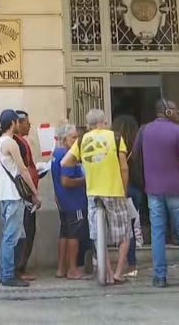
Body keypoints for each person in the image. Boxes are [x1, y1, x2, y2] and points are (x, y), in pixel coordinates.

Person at [133, 99, 179, 288]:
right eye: (175, 110)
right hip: (175, 187)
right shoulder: (178, 131)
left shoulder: (144, 130)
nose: (178, 113)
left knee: (158, 231)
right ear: (167, 111)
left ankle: (159, 277)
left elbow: (135, 155)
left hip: (153, 188)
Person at [62, 109, 130, 285]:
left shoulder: (83, 140)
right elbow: (124, 167)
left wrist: (87, 162)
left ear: (88, 124)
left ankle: (106, 273)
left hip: (93, 193)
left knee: (99, 235)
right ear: (104, 122)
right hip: (114, 191)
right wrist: (124, 189)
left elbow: (65, 162)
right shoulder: (115, 137)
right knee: (124, 234)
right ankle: (118, 273)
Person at [0, 110, 41, 287]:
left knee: (13, 235)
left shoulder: (1, 142)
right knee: (10, 236)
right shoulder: (11, 143)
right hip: (13, 195)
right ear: (14, 123)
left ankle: (5, 271)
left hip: (5, 195)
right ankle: (7, 274)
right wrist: (35, 193)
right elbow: (23, 170)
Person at [51, 123, 91, 280]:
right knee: (74, 235)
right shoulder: (69, 156)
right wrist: (85, 180)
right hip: (74, 201)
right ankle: (72, 269)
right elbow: (66, 181)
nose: (77, 140)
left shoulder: (56, 154)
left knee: (65, 234)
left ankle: (61, 268)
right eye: (73, 137)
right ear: (63, 139)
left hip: (63, 201)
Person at [111, 114, 142, 278]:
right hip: (133, 190)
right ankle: (131, 263)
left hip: (114, 188)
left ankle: (105, 263)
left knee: (111, 227)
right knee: (129, 229)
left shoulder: (112, 145)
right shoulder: (135, 148)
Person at [13, 110, 40, 281]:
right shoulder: (19, 143)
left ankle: (20, 266)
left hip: (27, 193)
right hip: (25, 195)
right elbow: (23, 169)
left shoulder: (21, 142)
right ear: (18, 124)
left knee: (28, 230)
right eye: (27, 122)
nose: (29, 125)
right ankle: (19, 268)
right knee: (26, 231)